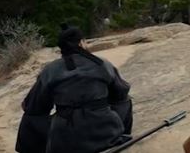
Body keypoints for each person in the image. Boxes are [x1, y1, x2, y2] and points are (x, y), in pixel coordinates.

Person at [15, 24, 133, 153]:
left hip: (66, 141)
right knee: (124, 101)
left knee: (30, 117)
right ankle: (120, 137)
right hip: (106, 134)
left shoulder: (51, 70)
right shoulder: (102, 64)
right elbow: (121, 92)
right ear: (82, 43)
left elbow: (35, 107)